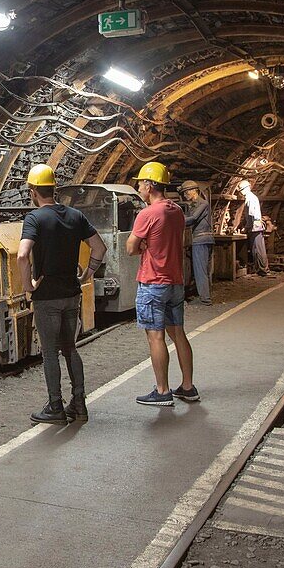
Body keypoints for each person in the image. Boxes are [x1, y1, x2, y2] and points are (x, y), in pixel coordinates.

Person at [18, 163, 108, 425]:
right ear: (53, 189)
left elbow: (23, 255)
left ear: (34, 191)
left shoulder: (34, 218)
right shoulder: (75, 216)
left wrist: (28, 286)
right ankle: (79, 404)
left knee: (49, 353)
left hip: (47, 296)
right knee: (70, 348)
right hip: (71, 293)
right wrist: (86, 275)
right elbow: (99, 248)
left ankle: (55, 406)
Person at [126, 162, 198, 407]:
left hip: (153, 281)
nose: (138, 187)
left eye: (140, 183)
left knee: (155, 336)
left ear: (149, 185)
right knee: (178, 333)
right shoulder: (176, 210)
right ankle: (188, 387)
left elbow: (130, 247)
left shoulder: (147, 214)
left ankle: (162, 390)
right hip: (175, 280)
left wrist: (143, 246)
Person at [180, 180, 214, 305]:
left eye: (185, 192)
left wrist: (175, 221)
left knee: (201, 270)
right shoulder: (194, 205)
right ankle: (206, 295)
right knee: (204, 269)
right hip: (204, 239)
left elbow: (193, 219)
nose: (184, 196)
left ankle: (205, 298)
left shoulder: (203, 204)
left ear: (192, 191)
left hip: (201, 240)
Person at [238, 179, 269, 276]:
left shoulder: (250, 198)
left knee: (258, 250)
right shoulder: (251, 197)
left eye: (242, 189)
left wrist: (246, 228)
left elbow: (251, 216)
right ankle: (261, 269)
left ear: (246, 188)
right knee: (257, 249)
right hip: (255, 227)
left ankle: (263, 270)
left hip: (255, 227)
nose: (241, 192)